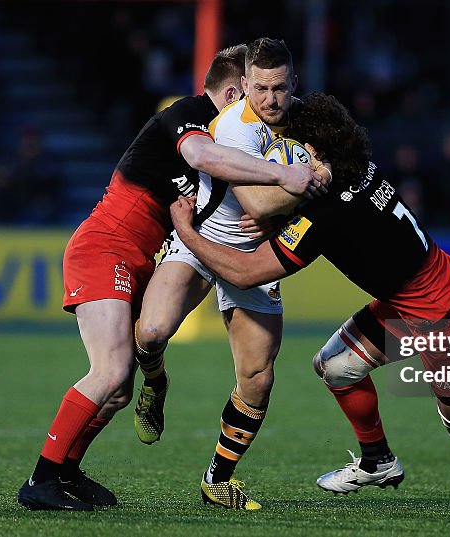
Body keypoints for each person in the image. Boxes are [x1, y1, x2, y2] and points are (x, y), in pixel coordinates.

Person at [168, 92, 450, 511]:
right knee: (336, 367)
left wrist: (188, 232)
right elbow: (312, 204)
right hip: (413, 303)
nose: (287, 158)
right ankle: (377, 461)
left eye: (296, 149)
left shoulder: (325, 214)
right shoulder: (357, 169)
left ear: (315, 153)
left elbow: (245, 272)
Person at [16, 44, 328, 512]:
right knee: (113, 368)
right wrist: (285, 177)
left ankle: (67, 471)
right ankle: (41, 479)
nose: (256, 106)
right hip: (107, 248)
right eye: (250, 93)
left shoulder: (272, 128)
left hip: (146, 258)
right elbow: (205, 157)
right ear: (233, 90)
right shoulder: (187, 115)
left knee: (120, 388)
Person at [131, 37, 315, 510]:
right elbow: (255, 201)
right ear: (244, 86)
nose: (271, 99)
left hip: (254, 262)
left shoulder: (309, 121)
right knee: (150, 333)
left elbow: (333, 172)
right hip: (203, 242)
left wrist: (289, 208)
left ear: (293, 83)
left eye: (279, 88)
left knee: (258, 378)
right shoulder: (236, 125)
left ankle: (218, 479)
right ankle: (156, 382)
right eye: (260, 88)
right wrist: (299, 191)